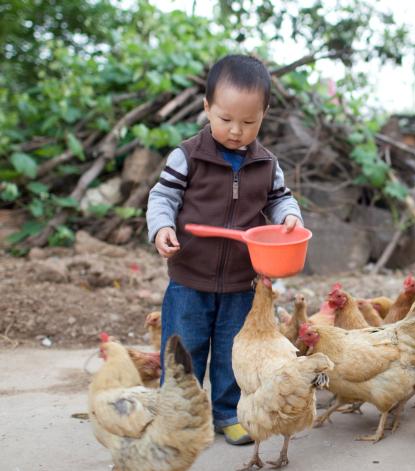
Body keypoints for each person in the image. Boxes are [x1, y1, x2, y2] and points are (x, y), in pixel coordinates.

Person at [146, 54, 303, 445]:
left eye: (249, 122)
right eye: (225, 119)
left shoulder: (267, 163)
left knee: (235, 354)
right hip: (189, 278)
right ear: (206, 108)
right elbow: (162, 196)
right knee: (185, 350)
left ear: (263, 116)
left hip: (240, 281)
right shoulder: (188, 156)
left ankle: (229, 413)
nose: (236, 131)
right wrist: (162, 226)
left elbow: (281, 199)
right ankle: (178, 416)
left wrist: (289, 217)